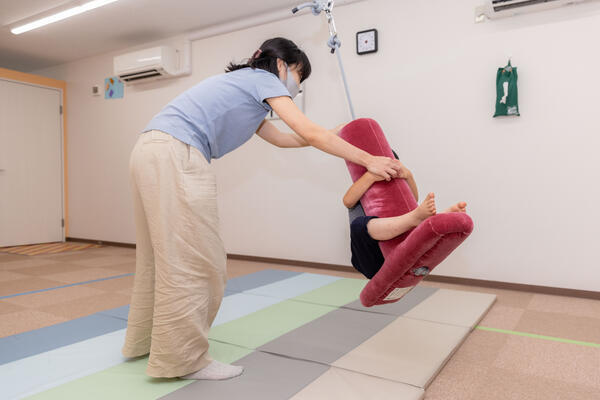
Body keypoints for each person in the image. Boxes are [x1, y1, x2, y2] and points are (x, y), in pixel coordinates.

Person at [122, 37, 404, 380]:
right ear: (282, 65)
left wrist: (344, 133)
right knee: (200, 262)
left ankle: (149, 342)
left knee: (161, 257)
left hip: (150, 148)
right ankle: (185, 359)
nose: (297, 87)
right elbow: (308, 132)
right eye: (300, 77)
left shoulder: (244, 89)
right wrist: (369, 160)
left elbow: (288, 138)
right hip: (176, 152)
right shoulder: (263, 79)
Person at [343, 151, 467, 280]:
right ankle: (423, 221)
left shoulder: (394, 191)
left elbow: (413, 199)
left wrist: (408, 175)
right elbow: (348, 201)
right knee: (359, 225)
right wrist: (371, 177)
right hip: (371, 259)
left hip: (401, 255)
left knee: (411, 217)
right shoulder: (363, 189)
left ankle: (433, 224)